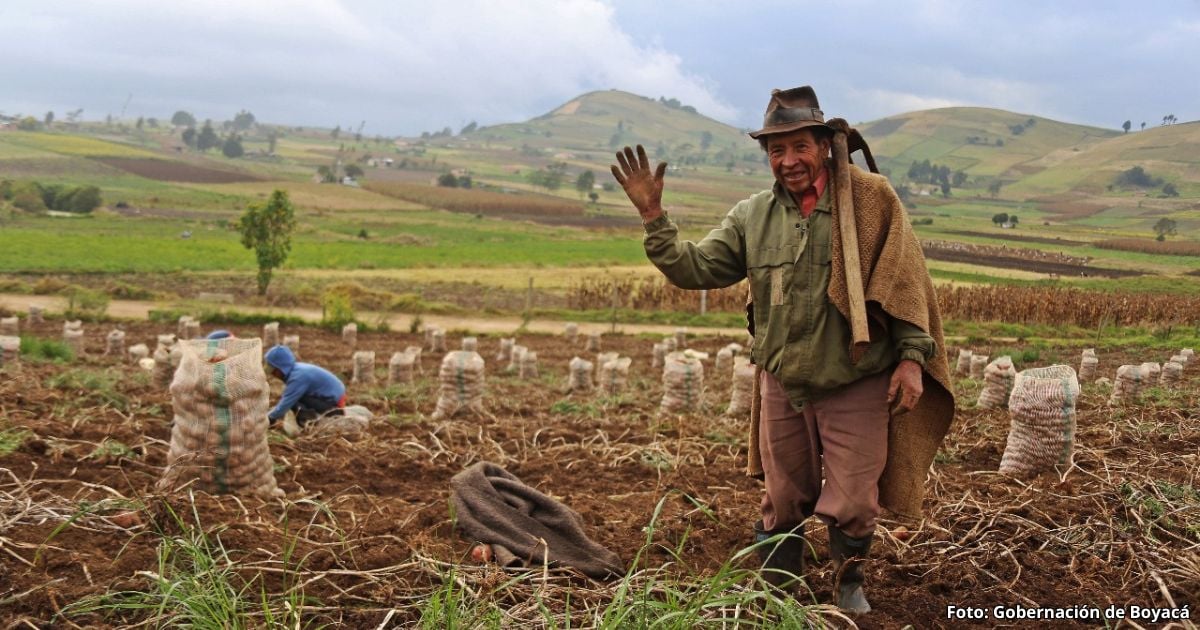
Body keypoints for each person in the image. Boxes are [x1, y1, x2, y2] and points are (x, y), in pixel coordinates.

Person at [611, 85, 954, 613]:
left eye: (799, 147)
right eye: (776, 150)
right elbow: (696, 268)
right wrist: (655, 218)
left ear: (822, 144)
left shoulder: (869, 201)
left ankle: (848, 583)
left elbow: (905, 283)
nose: (788, 161)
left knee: (856, 498)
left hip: (855, 378)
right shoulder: (753, 215)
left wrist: (911, 359)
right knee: (784, 496)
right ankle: (778, 590)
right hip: (783, 382)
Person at [264, 345, 346, 427]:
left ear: (281, 368)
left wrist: (269, 418)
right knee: (293, 398)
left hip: (333, 404)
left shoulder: (298, 377)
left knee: (293, 401)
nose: (273, 374)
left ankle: (310, 423)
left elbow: (285, 403)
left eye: (274, 370)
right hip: (329, 399)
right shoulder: (297, 369)